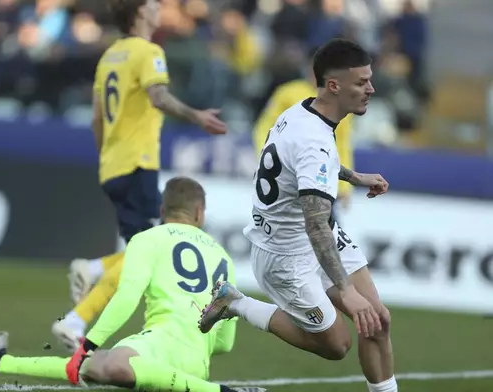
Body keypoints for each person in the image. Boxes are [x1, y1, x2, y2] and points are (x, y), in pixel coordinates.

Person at [199, 39, 398, 392]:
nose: (371, 88)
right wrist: (345, 290)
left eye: (369, 79)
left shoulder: (303, 110)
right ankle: (237, 303)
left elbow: (305, 166)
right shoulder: (314, 143)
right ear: (334, 85)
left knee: (377, 320)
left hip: (314, 236)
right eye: (362, 82)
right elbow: (315, 223)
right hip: (286, 257)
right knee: (337, 345)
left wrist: (354, 177)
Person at [0, 177, 264, 392]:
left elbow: (126, 297)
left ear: (162, 210)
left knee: (112, 364)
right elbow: (225, 342)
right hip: (198, 364)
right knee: (97, 365)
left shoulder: (148, 239)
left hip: (158, 346)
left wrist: (86, 343)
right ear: (200, 213)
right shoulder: (223, 257)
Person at [55, 0, 227, 351]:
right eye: (152, 4)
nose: (158, 7)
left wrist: (107, 157)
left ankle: (86, 293)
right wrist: (197, 116)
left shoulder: (109, 57)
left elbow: (96, 120)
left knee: (142, 250)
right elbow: (158, 96)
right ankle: (83, 300)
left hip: (113, 166)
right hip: (138, 164)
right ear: (139, 13)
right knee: (148, 251)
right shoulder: (149, 51)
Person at [252, 48, 355, 216]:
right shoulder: (288, 93)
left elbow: (342, 145)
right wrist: (266, 160)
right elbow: (264, 127)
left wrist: (345, 186)